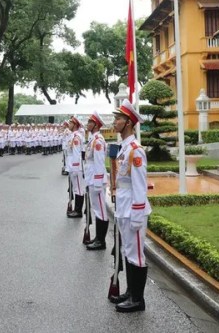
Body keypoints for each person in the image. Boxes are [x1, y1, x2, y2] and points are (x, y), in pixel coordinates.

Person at [110, 99, 151, 313]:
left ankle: (138, 299)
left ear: (127, 123)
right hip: (123, 208)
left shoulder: (136, 151)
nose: (114, 122)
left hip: (134, 210)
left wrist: (137, 214)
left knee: (136, 254)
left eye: (118, 119)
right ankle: (130, 290)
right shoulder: (124, 148)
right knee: (128, 251)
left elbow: (139, 186)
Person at [85, 111, 109, 251]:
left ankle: (101, 241)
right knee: (97, 209)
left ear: (95, 125)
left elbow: (100, 162)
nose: (87, 124)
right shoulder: (93, 139)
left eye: (90, 122)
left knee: (101, 211)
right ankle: (98, 238)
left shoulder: (98, 140)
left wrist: (99, 183)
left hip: (96, 180)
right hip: (92, 179)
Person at [66, 116, 85, 218]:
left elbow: (77, 154)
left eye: (70, 123)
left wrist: (75, 168)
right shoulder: (73, 135)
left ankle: (78, 211)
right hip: (72, 165)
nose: (69, 124)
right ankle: (76, 209)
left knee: (78, 189)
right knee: (76, 188)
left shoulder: (76, 137)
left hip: (75, 167)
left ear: (75, 125)